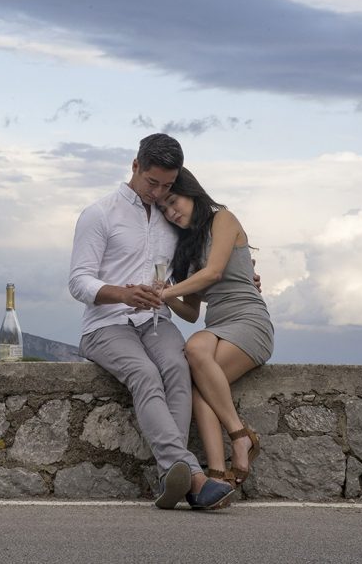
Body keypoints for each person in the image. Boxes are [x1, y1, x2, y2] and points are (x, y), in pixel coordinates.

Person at [68, 133, 236, 510]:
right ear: (135, 167)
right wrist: (122, 294)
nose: (158, 192)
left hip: (156, 321)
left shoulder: (168, 219)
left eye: (167, 185)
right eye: (152, 182)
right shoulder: (99, 213)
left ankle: (170, 477)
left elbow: (205, 260)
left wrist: (245, 274)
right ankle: (192, 477)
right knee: (145, 373)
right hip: (106, 325)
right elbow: (78, 281)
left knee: (178, 368)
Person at [156, 167, 274, 490]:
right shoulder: (188, 249)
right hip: (218, 325)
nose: (171, 212)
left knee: (194, 351)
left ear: (191, 192)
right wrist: (162, 297)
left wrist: (167, 291)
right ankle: (218, 474)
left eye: (173, 201)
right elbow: (192, 312)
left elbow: (215, 273)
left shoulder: (223, 219)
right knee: (199, 382)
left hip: (250, 320)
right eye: (165, 209)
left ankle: (239, 436)